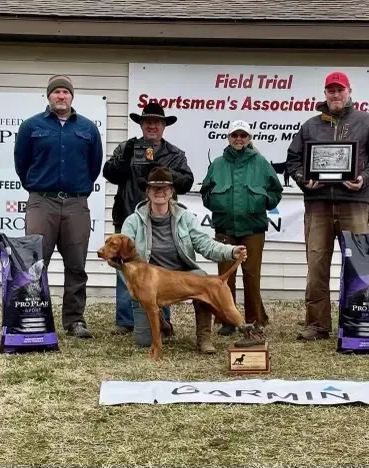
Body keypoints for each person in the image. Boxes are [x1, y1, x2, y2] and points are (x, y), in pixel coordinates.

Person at [286, 71, 369, 341]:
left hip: (354, 203)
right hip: (318, 205)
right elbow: (293, 160)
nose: (335, 95)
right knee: (317, 264)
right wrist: (303, 180)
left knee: (361, 265)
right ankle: (317, 325)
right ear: (325, 94)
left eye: (340, 90)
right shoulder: (310, 126)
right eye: (330, 90)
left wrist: (364, 177)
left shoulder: (368, 122)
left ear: (349, 92)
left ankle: (358, 321)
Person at [121, 166, 247, 354]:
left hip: (182, 273)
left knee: (203, 280)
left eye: (165, 188)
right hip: (149, 280)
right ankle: (162, 323)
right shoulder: (133, 221)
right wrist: (133, 286)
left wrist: (231, 251)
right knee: (143, 342)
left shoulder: (185, 218)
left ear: (172, 192)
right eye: (155, 188)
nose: (160, 192)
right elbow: (122, 257)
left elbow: (205, 244)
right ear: (147, 191)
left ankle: (204, 338)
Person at [14, 74, 103, 338]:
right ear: (49, 97)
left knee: (76, 264)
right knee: (34, 264)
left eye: (65, 92)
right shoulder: (32, 126)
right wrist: (38, 186)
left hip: (76, 203)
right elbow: (22, 162)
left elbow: (94, 165)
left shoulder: (87, 128)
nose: (61, 96)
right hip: (42, 201)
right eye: (56, 92)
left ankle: (74, 320)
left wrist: (77, 187)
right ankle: (32, 317)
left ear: (71, 97)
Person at [103, 102, 194, 336]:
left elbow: (186, 182)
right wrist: (124, 158)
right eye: (148, 122)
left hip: (159, 218)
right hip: (128, 215)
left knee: (158, 270)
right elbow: (110, 174)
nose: (152, 126)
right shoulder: (126, 147)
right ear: (141, 125)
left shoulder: (175, 154)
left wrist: (162, 171)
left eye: (157, 122)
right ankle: (126, 320)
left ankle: (161, 321)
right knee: (125, 267)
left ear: (164, 126)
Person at [200, 120, 283, 335]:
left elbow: (276, 190)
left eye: (243, 135)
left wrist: (263, 202)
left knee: (252, 275)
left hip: (253, 228)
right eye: (235, 135)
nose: (239, 139)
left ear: (249, 138)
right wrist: (218, 204)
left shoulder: (261, 162)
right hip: (225, 227)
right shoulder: (217, 164)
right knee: (225, 276)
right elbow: (205, 192)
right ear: (228, 137)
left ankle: (254, 320)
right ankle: (228, 320)